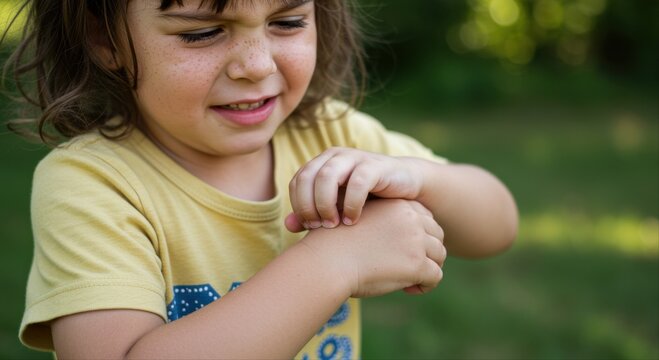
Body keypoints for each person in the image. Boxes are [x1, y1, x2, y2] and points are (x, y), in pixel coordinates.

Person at [3, 0, 518, 358]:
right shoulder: (93, 183)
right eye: (201, 32)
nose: (256, 64)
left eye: (288, 21)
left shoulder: (333, 135)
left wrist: (418, 177)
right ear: (103, 37)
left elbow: (498, 226)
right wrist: (333, 263)